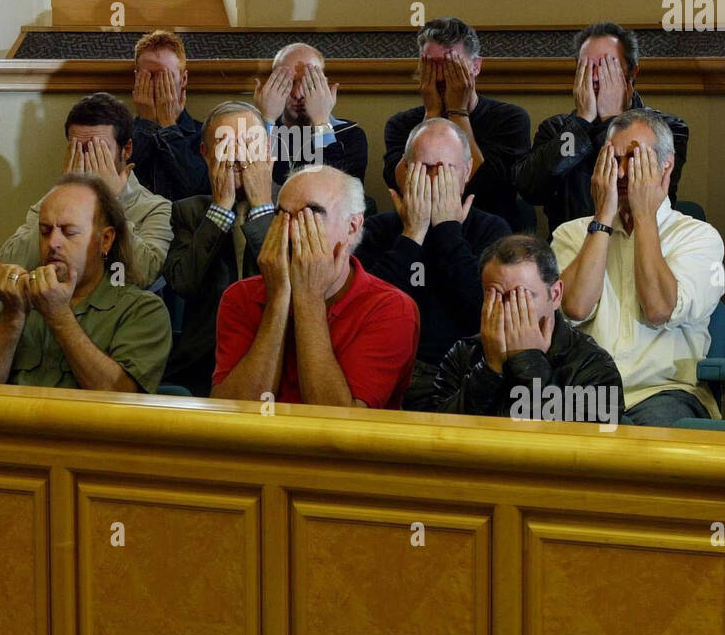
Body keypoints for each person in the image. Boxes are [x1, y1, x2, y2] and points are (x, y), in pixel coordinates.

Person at [551, 110, 723, 425]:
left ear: (665, 165)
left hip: (667, 392)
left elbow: (659, 308)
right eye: (613, 160)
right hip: (588, 392)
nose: (621, 173)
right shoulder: (570, 234)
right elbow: (574, 308)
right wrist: (602, 219)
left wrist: (644, 217)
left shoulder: (699, 236)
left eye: (635, 159)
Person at [211, 166, 419, 408]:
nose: (291, 231)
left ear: (352, 227)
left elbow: (339, 427)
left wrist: (308, 298)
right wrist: (278, 298)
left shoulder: (392, 309)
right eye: (283, 216)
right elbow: (231, 415)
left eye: (310, 215)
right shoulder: (240, 296)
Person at [0, 174, 172, 392]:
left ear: (105, 240)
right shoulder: (18, 301)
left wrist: (59, 317)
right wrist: (11, 319)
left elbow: (121, 398)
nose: (53, 243)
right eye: (45, 231)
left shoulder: (142, 309)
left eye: (69, 232)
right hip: (12, 424)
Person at [357, 118, 511, 411]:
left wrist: (447, 232)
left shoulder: (492, 232)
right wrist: (412, 234)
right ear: (403, 171)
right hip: (384, 370)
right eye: (423, 168)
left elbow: (485, 313)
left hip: (462, 376)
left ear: (466, 172)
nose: (432, 180)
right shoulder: (376, 230)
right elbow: (363, 311)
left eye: (445, 170)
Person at [514, 21, 689, 233]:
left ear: (632, 73)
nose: (596, 76)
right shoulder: (557, 129)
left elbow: (657, 193)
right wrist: (581, 123)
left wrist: (612, 120)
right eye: (587, 67)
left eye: (607, 65)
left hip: (639, 245)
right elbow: (530, 189)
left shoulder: (668, 128)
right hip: (572, 248)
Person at [430, 235, 623, 421]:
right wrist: (490, 369)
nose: (509, 309)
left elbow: (567, 446)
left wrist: (529, 363)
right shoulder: (463, 354)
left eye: (521, 297)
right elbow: (440, 435)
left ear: (555, 295)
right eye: (495, 296)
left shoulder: (593, 366)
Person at [162, 102, 277, 397]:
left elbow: (289, 283)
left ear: (268, 149)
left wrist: (263, 208)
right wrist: (221, 209)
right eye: (226, 146)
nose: (238, 157)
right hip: (204, 362)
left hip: (278, 354)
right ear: (205, 154)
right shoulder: (186, 212)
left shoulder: (296, 203)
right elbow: (184, 283)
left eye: (249, 144)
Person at [0, 92, 171, 287]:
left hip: (117, 314)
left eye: (100, 150)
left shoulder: (155, 207)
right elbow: (13, 263)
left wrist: (111, 201)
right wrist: (65, 198)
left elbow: (145, 274)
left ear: (127, 149)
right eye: (79, 149)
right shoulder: (53, 201)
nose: (88, 160)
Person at [383, 16, 530, 228]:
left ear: (476, 66)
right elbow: (408, 187)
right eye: (430, 66)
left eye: (451, 65)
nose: (440, 76)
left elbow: (486, 187)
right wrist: (432, 112)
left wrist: (458, 112)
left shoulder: (510, 119)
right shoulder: (401, 124)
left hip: (488, 230)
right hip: (418, 228)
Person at [252, 42, 368, 184]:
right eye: (289, 82)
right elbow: (254, 185)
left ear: (324, 86)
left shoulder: (350, 135)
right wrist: (267, 119)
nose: (297, 94)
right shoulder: (252, 132)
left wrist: (321, 122)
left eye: (309, 82)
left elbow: (335, 192)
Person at [130, 29, 211, 200]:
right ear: (137, 79)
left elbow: (199, 191)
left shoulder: (205, 135)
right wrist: (146, 123)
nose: (157, 86)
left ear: (183, 80)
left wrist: (168, 124)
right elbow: (119, 188)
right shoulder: (122, 135)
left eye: (165, 77)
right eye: (149, 77)